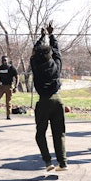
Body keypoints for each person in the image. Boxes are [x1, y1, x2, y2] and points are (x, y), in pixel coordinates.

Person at [30, 22, 68, 172]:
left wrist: (42, 37)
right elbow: (57, 52)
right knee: (59, 133)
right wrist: (52, 35)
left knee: (40, 134)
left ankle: (47, 161)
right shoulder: (56, 65)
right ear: (49, 55)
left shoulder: (35, 65)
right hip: (58, 101)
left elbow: (34, 51)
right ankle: (63, 162)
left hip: (44, 101)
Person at [0, 56, 19, 120]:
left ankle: (8, 115)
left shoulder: (11, 68)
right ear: (1, 61)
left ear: (7, 60)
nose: (4, 61)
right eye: (3, 60)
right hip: (1, 86)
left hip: (9, 86)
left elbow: (17, 77)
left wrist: (16, 86)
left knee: (8, 101)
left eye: (5, 60)